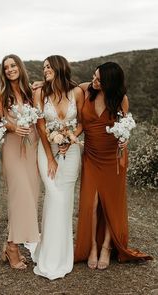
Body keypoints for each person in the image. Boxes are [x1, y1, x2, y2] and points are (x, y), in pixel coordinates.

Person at [74, 62, 152, 270]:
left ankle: (107, 247)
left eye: (99, 79)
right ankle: (92, 246)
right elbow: (65, 86)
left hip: (112, 157)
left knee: (110, 201)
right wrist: (38, 85)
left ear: (110, 82)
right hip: (91, 155)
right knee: (91, 202)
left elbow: (124, 128)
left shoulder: (121, 100)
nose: (94, 81)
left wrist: (125, 140)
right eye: (94, 76)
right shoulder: (86, 89)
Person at [32, 55, 84, 280]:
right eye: (43, 67)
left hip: (71, 151)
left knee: (65, 201)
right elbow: (41, 127)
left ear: (59, 67)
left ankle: (62, 255)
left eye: (48, 66)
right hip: (47, 152)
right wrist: (50, 157)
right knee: (54, 197)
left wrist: (70, 138)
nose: (45, 70)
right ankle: (49, 257)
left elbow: (82, 122)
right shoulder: (40, 93)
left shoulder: (78, 93)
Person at [0, 54, 40, 269]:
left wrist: (44, 83)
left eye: (13, 65)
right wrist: (13, 127)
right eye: (6, 68)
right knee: (19, 195)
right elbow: (1, 120)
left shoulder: (30, 91)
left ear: (20, 67)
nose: (10, 69)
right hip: (12, 147)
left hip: (32, 146)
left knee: (30, 195)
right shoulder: (0, 93)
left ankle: (12, 243)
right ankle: (12, 247)